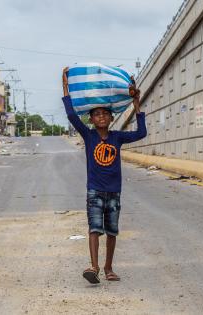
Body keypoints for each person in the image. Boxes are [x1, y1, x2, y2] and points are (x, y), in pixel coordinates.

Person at [62, 67, 146, 283]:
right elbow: (71, 114)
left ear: (111, 118)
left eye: (105, 114)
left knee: (112, 232)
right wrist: (65, 85)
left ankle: (109, 267)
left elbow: (141, 133)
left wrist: (137, 104)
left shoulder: (117, 137)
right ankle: (94, 267)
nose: (101, 117)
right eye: (97, 114)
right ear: (91, 119)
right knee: (94, 228)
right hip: (95, 190)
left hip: (114, 191)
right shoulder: (88, 136)